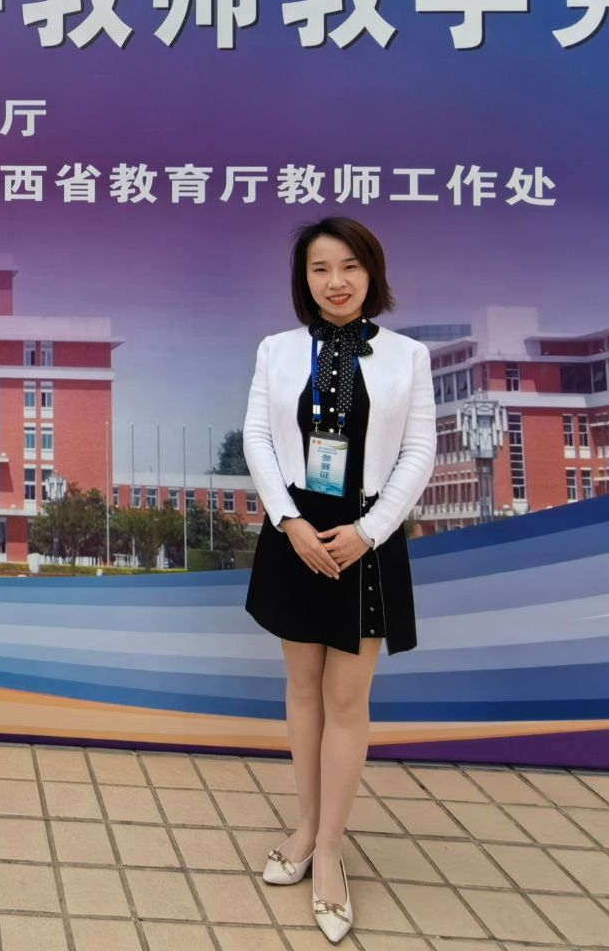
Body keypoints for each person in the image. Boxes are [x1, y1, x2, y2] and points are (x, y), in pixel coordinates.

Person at [242, 216, 435, 944]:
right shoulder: (277, 349)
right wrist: (289, 521)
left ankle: (329, 852)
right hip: (295, 531)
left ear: (371, 272)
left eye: (350, 266)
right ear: (305, 279)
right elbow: (258, 438)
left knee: (347, 700)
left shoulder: (409, 356)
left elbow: (419, 451)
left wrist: (368, 532)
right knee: (302, 690)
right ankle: (305, 826)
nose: (336, 281)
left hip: (365, 539)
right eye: (321, 268)